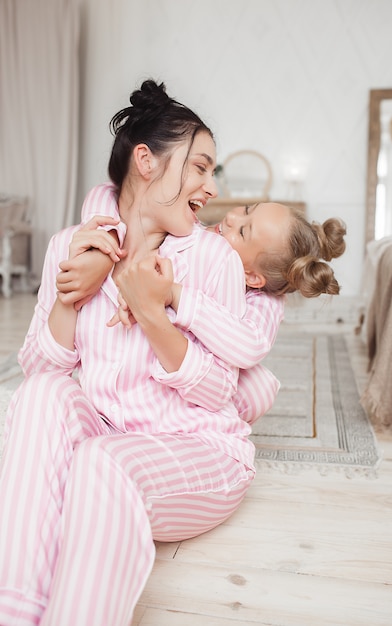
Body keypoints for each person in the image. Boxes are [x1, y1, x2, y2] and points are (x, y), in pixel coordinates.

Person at [0, 79, 257, 626]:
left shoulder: (213, 260)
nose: (211, 187)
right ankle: (13, 611)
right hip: (110, 432)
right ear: (146, 161)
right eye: (200, 167)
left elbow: (219, 391)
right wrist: (75, 290)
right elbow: (40, 370)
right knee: (41, 395)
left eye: (212, 172)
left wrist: (151, 308)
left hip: (199, 451)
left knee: (100, 463)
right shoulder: (69, 245)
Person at [59, 184, 346, 424]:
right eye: (247, 210)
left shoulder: (265, 299)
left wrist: (175, 294)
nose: (233, 218)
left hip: (198, 374)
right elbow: (104, 192)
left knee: (259, 386)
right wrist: (105, 246)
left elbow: (251, 346)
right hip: (142, 362)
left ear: (252, 277)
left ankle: (202, 428)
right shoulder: (187, 230)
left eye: (244, 232)